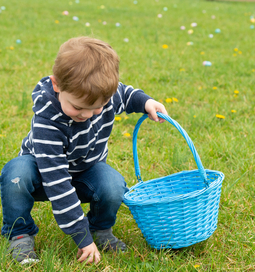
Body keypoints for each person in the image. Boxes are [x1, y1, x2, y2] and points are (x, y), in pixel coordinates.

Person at [0, 36, 167, 265]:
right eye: (77, 107)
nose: (87, 115)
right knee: (15, 176)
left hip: (85, 171)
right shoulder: (48, 122)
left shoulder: (102, 95)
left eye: (97, 107)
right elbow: (57, 183)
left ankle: (101, 229)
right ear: (57, 85)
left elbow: (125, 94)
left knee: (113, 184)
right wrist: (81, 237)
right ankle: (19, 233)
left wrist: (146, 102)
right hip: (43, 172)